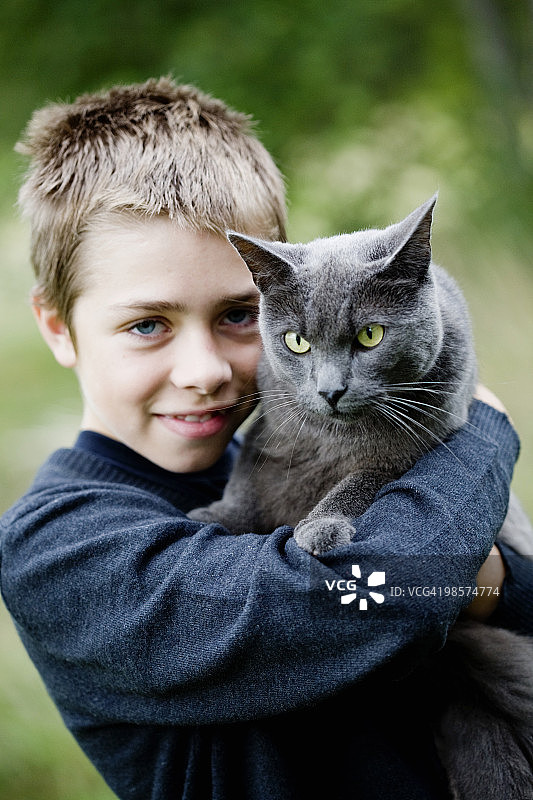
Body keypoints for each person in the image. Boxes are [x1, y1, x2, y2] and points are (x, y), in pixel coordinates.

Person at [0, 77, 531, 800]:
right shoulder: (59, 551)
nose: (205, 371)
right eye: (146, 325)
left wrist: (489, 584)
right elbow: (372, 598)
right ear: (59, 327)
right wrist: (485, 429)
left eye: (237, 316)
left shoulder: (277, 445)